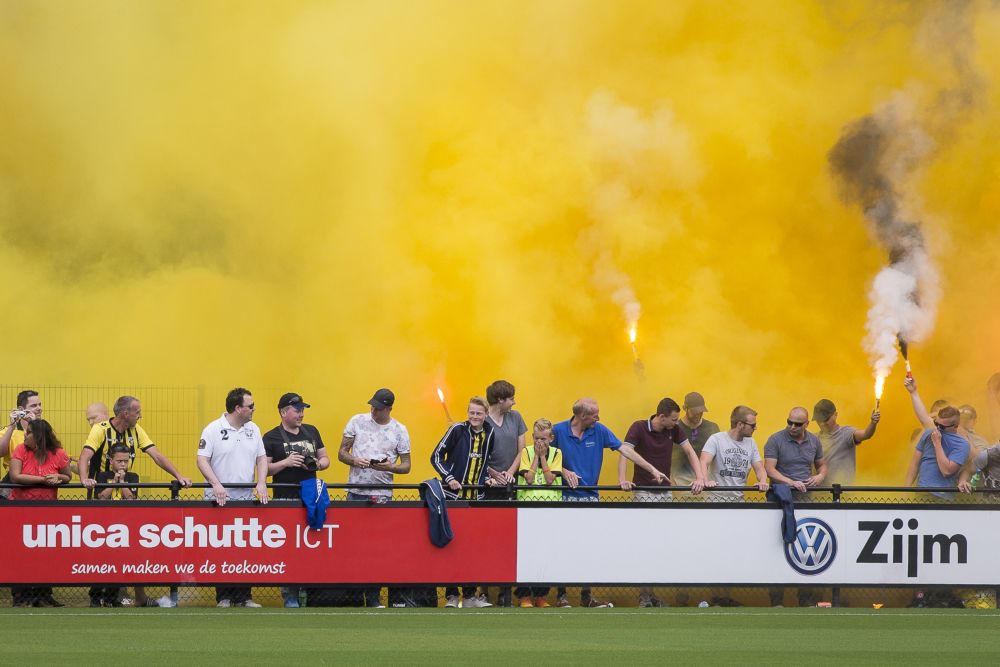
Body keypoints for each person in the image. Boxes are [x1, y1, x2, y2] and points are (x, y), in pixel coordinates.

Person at [553, 397, 661, 608]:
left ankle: (586, 596)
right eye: (595, 414)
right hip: (564, 498)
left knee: (588, 549)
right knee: (564, 547)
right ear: (582, 416)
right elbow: (543, 459)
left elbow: (625, 450)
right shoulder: (557, 431)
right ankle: (561, 595)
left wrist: (652, 469)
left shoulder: (599, 431)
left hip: (592, 498)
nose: (598, 417)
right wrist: (562, 470)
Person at [617, 397, 704, 609]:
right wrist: (622, 480)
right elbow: (624, 452)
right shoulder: (638, 427)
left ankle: (652, 593)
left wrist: (700, 477)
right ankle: (644, 595)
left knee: (661, 544)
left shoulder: (673, 430)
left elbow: (690, 451)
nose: (677, 423)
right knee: (645, 543)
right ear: (662, 416)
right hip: (644, 492)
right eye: (673, 419)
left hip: (666, 492)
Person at [337, 388, 412, 609]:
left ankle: (373, 596)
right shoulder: (357, 421)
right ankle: (351, 597)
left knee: (378, 548)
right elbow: (341, 452)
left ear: (389, 408)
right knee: (352, 546)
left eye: (378, 408)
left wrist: (391, 467)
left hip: (382, 494)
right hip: (355, 491)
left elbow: (407, 466)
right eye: (372, 405)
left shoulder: (399, 430)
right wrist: (354, 460)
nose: (373, 410)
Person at [197, 387, 269, 608]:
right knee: (221, 547)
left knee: (245, 547)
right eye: (250, 406)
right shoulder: (213, 429)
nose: (254, 409)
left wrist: (261, 481)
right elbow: (202, 460)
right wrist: (216, 484)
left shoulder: (253, 429)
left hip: (245, 499)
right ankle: (224, 596)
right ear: (238, 408)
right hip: (219, 500)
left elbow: (261, 458)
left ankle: (244, 596)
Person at [430, 396, 498, 608]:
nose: (475, 417)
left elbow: (485, 460)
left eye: (479, 413)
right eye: (471, 413)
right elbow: (435, 456)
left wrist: (487, 478)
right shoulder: (457, 430)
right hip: (454, 500)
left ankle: (469, 597)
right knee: (453, 548)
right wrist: (449, 478)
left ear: (486, 414)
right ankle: (451, 596)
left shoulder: (490, 433)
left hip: (476, 499)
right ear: (467, 413)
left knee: (472, 548)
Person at [764, 406, 827, 608]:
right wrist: (791, 482)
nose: (792, 426)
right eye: (789, 422)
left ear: (807, 424)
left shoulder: (814, 441)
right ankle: (776, 600)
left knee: (806, 549)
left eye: (797, 424)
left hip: (807, 500)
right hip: (780, 500)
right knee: (777, 547)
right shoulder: (775, 440)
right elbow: (770, 470)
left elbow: (822, 465)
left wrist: (819, 476)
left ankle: (806, 599)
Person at [9, 418, 69, 607]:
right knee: (20, 554)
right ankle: (21, 596)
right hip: (20, 510)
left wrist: (58, 476)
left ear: (39, 436)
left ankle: (44, 595)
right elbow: (15, 476)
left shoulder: (58, 453)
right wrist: (43, 479)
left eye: (29, 433)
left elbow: (68, 476)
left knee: (46, 554)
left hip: (47, 512)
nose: (25, 436)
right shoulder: (20, 450)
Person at [78, 395, 193, 494]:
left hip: (125, 488)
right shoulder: (101, 429)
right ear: (126, 414)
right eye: (137, 412)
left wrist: (179, 476)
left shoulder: (136, 430)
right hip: (101, 490)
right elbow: (84, 456)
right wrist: (84, 480)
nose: (140, 416)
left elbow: (157, 456)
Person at [482, 380, 527, 607]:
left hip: (510, 487)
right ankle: (482, 591)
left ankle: (504, 592)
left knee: (506, 541)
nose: (514, 402)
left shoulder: (516, 418)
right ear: (500, 400)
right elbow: (478, 453)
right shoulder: (483, 419)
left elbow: (522, 450)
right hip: (488, 487)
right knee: (485, 540)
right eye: (511, 398)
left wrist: (509, 473)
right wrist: (493, 473)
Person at [514, 419, 561, 607]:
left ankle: (541, 595)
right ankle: (524, 595)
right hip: (527, 508)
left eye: (543, 438)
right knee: (526, 553)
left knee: (545, 553)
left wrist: (543, 458)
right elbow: (530, 479)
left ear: (551, 438)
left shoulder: (557, 453)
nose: (539, 442)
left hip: (550, 509)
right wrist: (536, 457)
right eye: (536, 438)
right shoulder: (526, 452)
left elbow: (550, 480)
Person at [903, 378, 970, 499]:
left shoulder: (962, 444)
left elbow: (947, 471)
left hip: (942, 497)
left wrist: (938, 444)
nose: (937, 427)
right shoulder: (929, 432)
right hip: (921, 493)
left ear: (955, 426)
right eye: (936, 423)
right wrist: (905, 493)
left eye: (941, 426)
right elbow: (914, 465)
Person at [701, 405, 768, 502]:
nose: (755, 428)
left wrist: (762, 482)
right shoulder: (716, 439)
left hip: (738, 500)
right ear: (740, 425)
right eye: (752, 425)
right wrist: (706, 481)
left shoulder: (751, 443)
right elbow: (704, 462)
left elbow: (760, 469)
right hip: (714, 500)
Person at [811, 399, 880, 486]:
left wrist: (873, 423)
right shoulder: (813, 438)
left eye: (825, 419)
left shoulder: (846, 433)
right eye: (818, 420)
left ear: (835, 415)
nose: (822, 424)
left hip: (843, 492)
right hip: (819, 492)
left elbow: (866, 434)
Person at [671, 392, 721, 493]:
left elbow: (719, 457)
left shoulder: (712, 428)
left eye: (701, 411)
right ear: (685, 408)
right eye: (695, 412)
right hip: (680, 488)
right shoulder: (673, 428)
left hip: (707, 487)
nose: (698, 415)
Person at [1, 389, 43, 484]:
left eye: (40, 404)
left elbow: (47, 451)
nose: (39, 408)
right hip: (14, 480)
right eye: (34, 405)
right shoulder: (9, 431)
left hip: (38, 478)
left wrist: (34, 425)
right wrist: (12, 425)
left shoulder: (44, 429)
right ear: (21, 410)